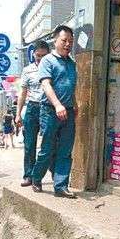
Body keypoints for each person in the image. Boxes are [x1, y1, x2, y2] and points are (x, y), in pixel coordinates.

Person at [32, 25, 78, 198]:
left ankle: (60, 186)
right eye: (64, 40)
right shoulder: (47, 61)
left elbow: (71, 87)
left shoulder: (72, 64)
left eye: (70, 42)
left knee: (65, 150)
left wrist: (75, 104)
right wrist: (58, 105)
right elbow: (46, 85)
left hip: (69, 112)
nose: (67, 44)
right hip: (50, 111)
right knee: (47, 149)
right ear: (55, 41)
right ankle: (36, 178)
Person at [16, 40, 50, 186]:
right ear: (33, 54)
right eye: (38, 55)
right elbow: (22, 93)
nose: (41, 58)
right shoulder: (27, 70)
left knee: (50, 144)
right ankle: (28, 175)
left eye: (44, 55)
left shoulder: (53, 68)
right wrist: (18, 114)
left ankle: (48, 175)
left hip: (48, 109)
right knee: (29, 144)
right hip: (32, 108)